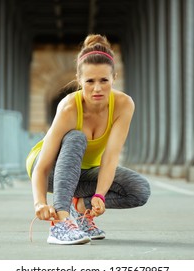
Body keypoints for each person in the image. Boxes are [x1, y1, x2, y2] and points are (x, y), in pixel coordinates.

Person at [26, 34, 150, 245]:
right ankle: (61, 223)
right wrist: (40, 203)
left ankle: (81, 209)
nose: (97, 88)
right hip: (51, 171)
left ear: (114, 78)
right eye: (90, 81)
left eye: (104, 80)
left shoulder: (124, 105)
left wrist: (100, 196)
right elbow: (42, 168)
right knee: (76, 137)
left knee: (139, 190)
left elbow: (110, 159)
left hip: (84, 173)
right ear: (79, 80)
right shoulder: (69, 107)